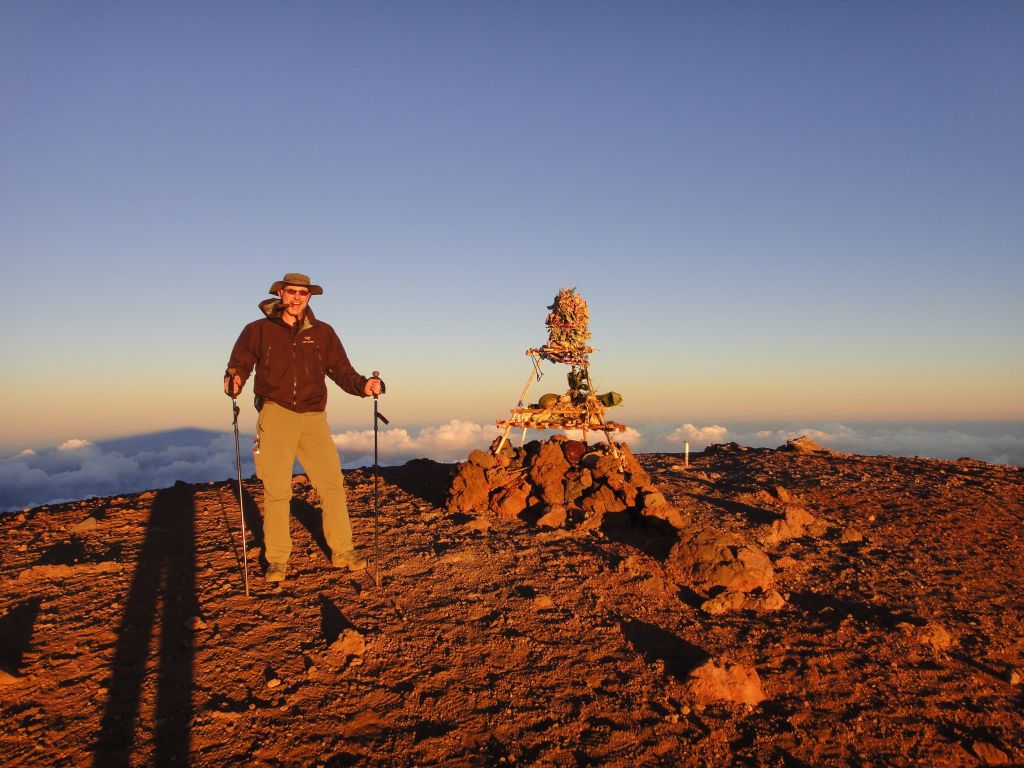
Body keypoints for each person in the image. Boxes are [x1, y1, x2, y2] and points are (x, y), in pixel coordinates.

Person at [223, 272, 384, 583]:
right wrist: (234, 380)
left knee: (332, 485)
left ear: (309, 297)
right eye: (291, 292)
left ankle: (342, 549)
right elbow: (239, 364)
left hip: (313, 418)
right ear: (280, 294)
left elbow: (341, 370)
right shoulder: (256, 331)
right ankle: (278, 560)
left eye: (303, 293)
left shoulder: (323, 333)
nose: (297, 298)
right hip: (275, 414)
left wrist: (365, 386)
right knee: (277, 490)